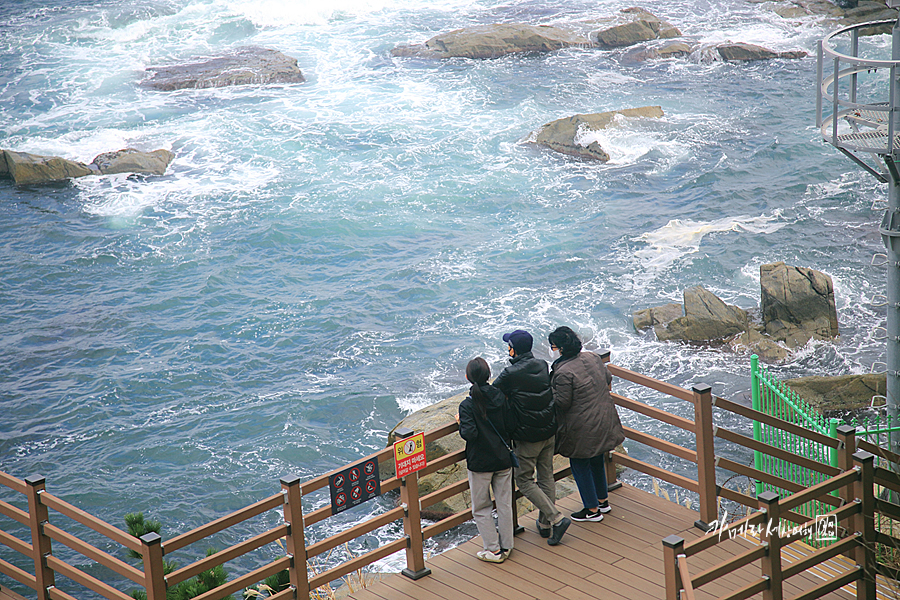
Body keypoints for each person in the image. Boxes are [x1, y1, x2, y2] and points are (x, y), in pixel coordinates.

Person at [493, 329, 570, 546]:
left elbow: (492, 393)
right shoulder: (542, 365)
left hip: (528, 436)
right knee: (546, 477)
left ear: (513, 349)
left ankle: (556, 518)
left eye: (508, 344)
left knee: (524, 480)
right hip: (548, 429)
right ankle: (545, 525)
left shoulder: (511, 373)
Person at [548, 326, 625, 522]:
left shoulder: (563, 371)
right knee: (597, 458)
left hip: (582, 426)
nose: (552, 349)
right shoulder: (592, 357)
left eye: (553, 346)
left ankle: (592, 510)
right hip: (604, 418)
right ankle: (602, 501)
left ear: (560, 349)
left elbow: (562, 403)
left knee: (579, 463)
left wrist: (549, 392)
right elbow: (607, 378)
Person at [456, 357, 516, 563]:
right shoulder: (499, 396)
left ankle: (493, 550)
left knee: (482, 508)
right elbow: (509, 424)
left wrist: (460, 422)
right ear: (489, 376)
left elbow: (470, 434)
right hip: (503, 458)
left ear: (467, 378)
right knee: (504, 503)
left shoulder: (467, 405)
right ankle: (507, 545)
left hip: (480, 463)